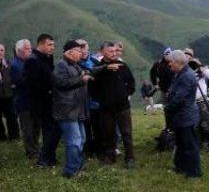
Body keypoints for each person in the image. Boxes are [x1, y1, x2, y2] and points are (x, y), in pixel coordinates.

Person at [88, 42, 136, 168]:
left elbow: (131, 83)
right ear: (102, 52)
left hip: (123, 106)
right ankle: (109, 157)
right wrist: (102, 99)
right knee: (107, 133)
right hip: (106, 108)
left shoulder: (123, 66)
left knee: (126, 132)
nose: (114, 53)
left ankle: (130, 158)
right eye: (110, 51)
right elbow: (91, 87)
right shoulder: (98, 68)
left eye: (115, 51)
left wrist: (126, 94)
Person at [52, 40, 92, 178]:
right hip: (67, 110)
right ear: (69, 52)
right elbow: (60, 83)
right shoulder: (61, 65)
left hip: (77, 109)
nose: (81, 53)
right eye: (78, 50)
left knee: (81, 139)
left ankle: (78, 166)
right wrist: (82, 80)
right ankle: (71, 171)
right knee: (74, 141)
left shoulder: (75, 65)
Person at [166, 50, 202, 178]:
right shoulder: (181, 73)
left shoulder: (186, 76)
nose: (169, 64)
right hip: (182, 116)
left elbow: (179, 97)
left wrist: (168, 107)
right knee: (181, 143)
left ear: (176, 62)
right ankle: (180, 167)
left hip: (186, 115)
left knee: (189, 144)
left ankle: (194, 172)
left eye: (170, 62)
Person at [26, 34, 60, 167]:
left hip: (50, 100)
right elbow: (33, 83)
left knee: (50, 130)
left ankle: (49, 157)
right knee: (51, 129)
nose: (52, 48)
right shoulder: (32, 60)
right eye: (49, 45)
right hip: (40, 101)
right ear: (41, 44)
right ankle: (44, 159)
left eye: (53, 45)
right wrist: (49, 91)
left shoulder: (47, 58)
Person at [10, 39, 40, 159]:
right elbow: (18, 82)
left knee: (36, 126)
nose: (30, 50)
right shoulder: (15, 65)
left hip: (34, 100)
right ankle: (31, 152)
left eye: (30, 47)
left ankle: (36, 148)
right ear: (19, 50)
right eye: (27, 48)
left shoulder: (31, 61)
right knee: (28, 128)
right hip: (24, 101)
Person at [187, 50, 209, 153]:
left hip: (202, 101)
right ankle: (198, 145)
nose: (188, 58)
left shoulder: (199, 68)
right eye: (185, 56)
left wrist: (199, 66)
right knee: (195, 125)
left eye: (189, 56)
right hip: (190, 102)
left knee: (206, 124)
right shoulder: (184, 69)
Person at [0, 43, 19, 141]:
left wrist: (14, 84)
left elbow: (14, 77)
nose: (0, 52)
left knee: (12, 118)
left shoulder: (9, 64)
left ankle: (14, 137)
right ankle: (0, 138)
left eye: (2, 50)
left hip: (8, 96)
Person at [150, 47, 175, 127]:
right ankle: (168, 124)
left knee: (175, 106)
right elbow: (152, 73)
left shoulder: (174, 63)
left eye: (171, 54)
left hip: (174, 89)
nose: (169, 56)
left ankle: (175, 124)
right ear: (165, 55)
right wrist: (155, 84)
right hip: (164, 89)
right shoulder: (158, 64)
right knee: (166, 107)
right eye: (168, 55)